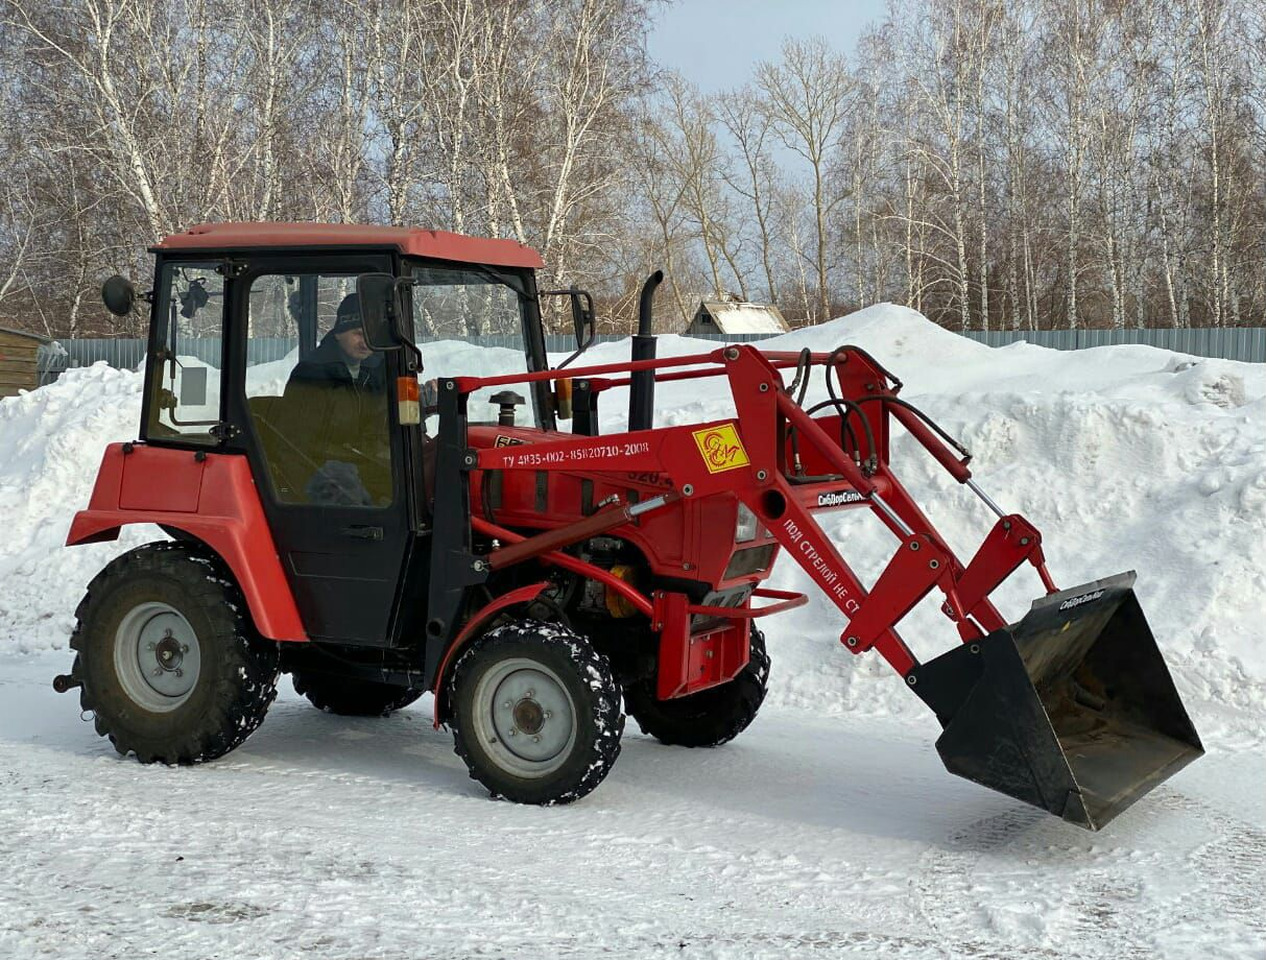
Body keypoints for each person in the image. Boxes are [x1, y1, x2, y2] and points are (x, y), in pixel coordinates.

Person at [277, 293, 393, 506]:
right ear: (339, 333)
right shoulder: (314, 374)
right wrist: (304, 495)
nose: (365, 342)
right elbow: (294, 446)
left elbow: (382, 420)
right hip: (324, 476)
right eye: (358, 333)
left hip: (364, 466)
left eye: (371, 335)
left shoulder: (377, 369)